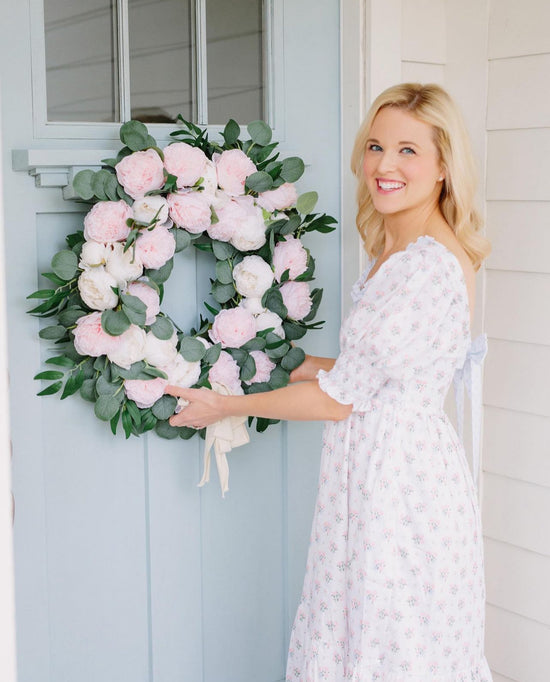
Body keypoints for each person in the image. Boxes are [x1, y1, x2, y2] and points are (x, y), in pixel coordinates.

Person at [166, 83, 493, 680]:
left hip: (399, 482)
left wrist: (225, 404)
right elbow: (376, 374)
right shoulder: (404, 250)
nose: (384, 166)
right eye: (375, 146)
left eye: (407, 151)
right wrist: (283, 355)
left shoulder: (422, 266)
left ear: (444, 165)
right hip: (386, 464)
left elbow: (340, 402)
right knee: (369, 632)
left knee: (391, 641)